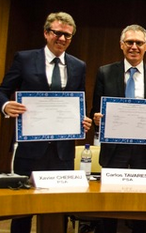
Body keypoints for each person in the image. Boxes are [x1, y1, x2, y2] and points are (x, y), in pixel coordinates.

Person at [0, 12, 91, 233]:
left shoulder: (78, 66)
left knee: (59, 207)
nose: (62, 39)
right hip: (30, 148)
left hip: (62, 151)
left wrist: (82, 120)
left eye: (67, 36)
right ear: (46, 33)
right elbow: (3, 91)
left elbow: (78, 101)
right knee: (23, 209)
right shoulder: (24, 58)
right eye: (57, 33)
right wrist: (5, 106)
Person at [90, 24, 146, 233]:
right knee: (109, 207)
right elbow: (94, 110)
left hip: (144, 151)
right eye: (129, 42)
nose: (134, 46)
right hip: (114, 149)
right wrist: (96, 118)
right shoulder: (105, 73)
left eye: (139, 43)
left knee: (141, 209)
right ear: (121, 45)